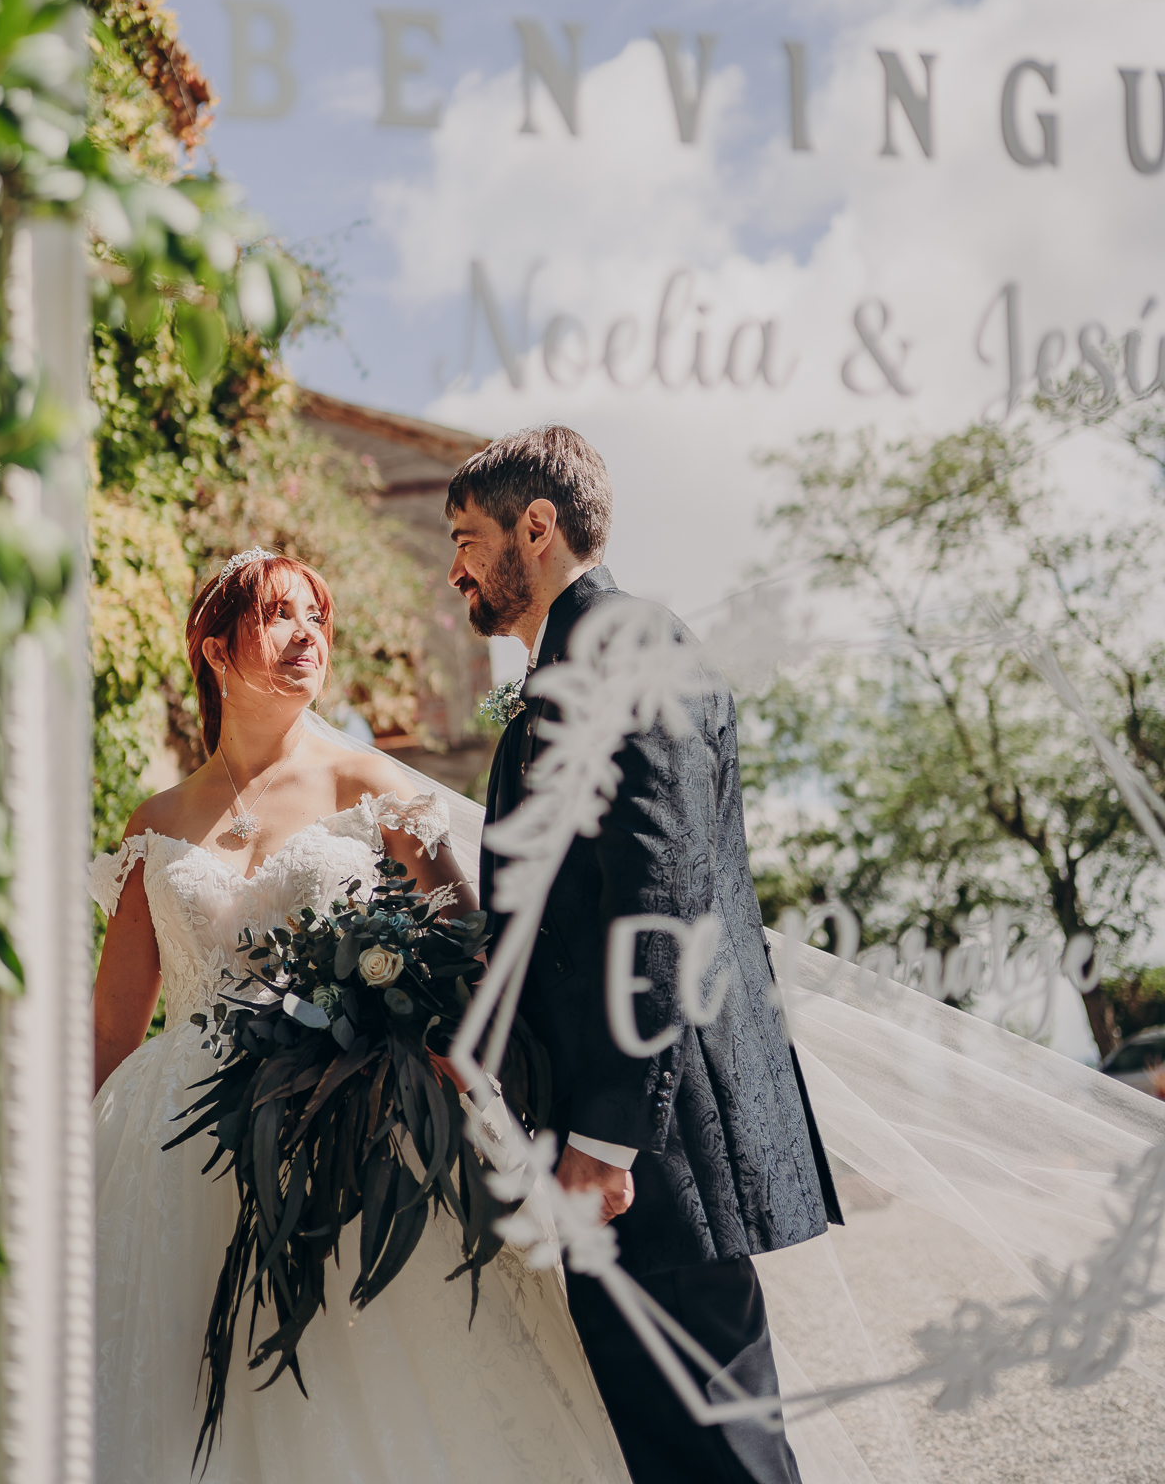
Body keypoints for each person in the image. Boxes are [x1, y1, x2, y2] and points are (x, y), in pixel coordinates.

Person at [90, 547, 630, 1484]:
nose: (309, 636)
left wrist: (404, 1042)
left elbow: (472, 961)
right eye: (279, 616)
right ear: (214, 649)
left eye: (318, 619)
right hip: (171, 1150)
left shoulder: (374, 786)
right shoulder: (158, 821)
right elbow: (110, 1028)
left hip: (354, 1126)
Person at [446, 426, 843, 1484]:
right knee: (670, 1455)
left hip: (648, 1146)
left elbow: (660, 904)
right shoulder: (568, 663)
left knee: (719, 1457)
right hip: (612, 1144)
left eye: (467, 538)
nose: (456, 569)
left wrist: (607, 1139)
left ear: (536, 528)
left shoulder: (627, 645)